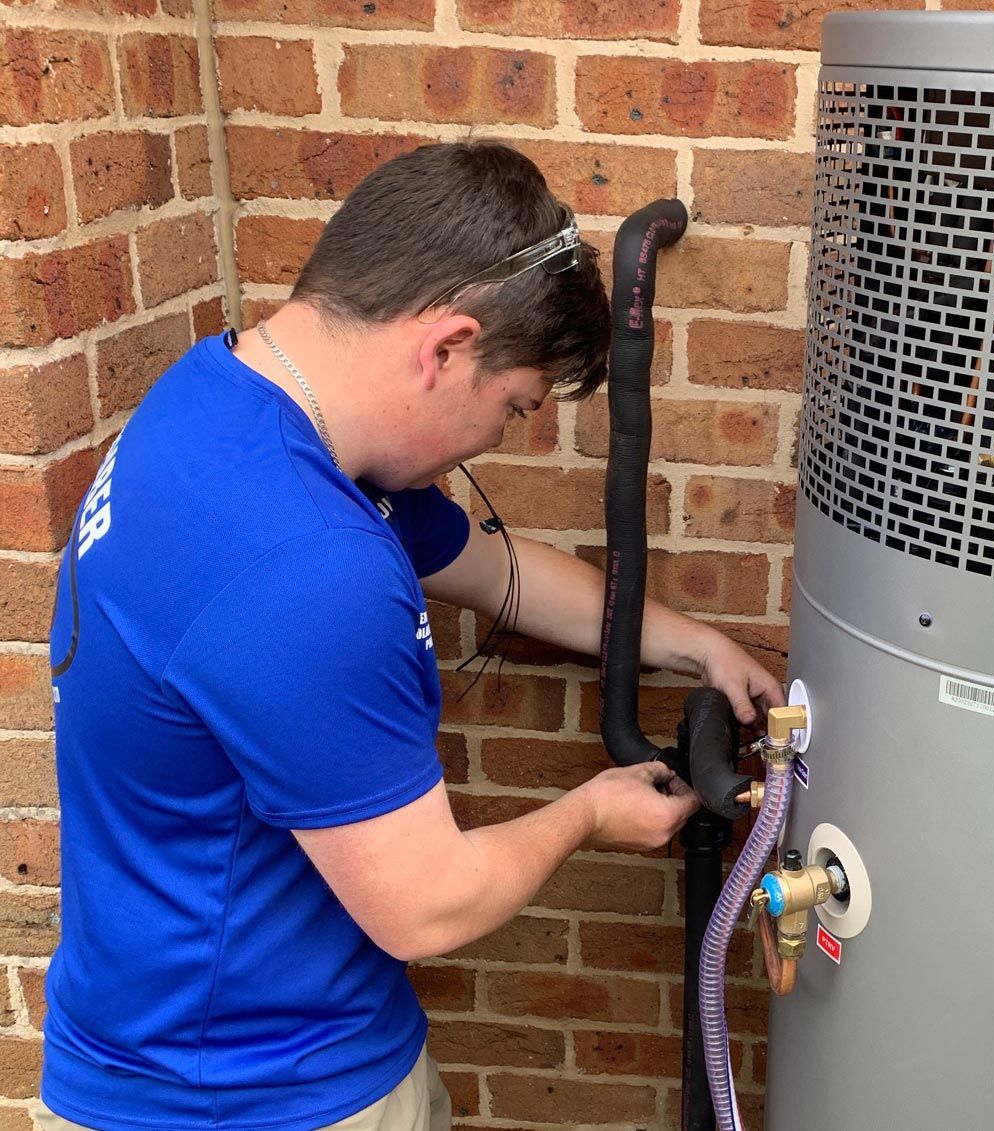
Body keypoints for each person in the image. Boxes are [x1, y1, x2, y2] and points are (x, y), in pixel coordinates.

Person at [40, 140, 785, 1130]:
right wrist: (590, 815)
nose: (500, 440)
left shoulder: (223, 399)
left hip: (157, 1034)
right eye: (515, 406)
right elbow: (425, 908)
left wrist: (694, 643)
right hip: (252, 1093)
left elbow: (496, 570)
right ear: (445, 347)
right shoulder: (307, 566)